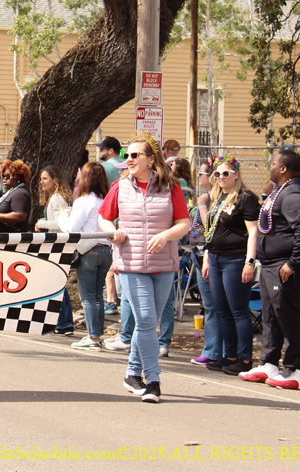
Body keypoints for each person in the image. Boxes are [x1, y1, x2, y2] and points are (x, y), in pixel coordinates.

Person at [98, 132, 190, 403]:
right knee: (147, 320)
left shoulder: (171, 186)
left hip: (164, 264)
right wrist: (112, 232)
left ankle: (131, 373)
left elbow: (184, 223)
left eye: (135, 155)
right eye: (126, 155)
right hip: (131, 264)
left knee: (148, 323)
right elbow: (104, 218)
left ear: (151, 159)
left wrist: (166, 235)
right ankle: (153, 380)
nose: (129, 159)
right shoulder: (119, 187)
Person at [239, 149, 300, 390]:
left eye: (274, 163)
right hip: (272, 263)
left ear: (284, 169)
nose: (270, 167)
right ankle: (269, 363)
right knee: (270, 314)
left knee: (287, 314)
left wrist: (294, 262)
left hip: (287, 264)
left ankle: (295, 370)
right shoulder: (282, 190)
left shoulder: (293, 193)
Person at [198, 155, 259, 375]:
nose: (221, 177)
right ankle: (229, 355)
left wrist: (249, 262)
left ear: (236, 174)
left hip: (235, 259)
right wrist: (207, 256)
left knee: (238, 311)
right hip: (215, 258)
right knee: (222, 310)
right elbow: (211, 231)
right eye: (217, 174)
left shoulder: (245, 197)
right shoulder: (218, 198)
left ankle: (244, 358)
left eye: (226, 173)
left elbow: (253, 231)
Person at [59, 162, 111, 349]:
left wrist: (62, 215)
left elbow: (71, 228)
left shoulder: (83, 201)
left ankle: (93, 337)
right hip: (106, 249)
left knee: (88, 296)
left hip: (89, 250)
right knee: (97, 295)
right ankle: (97, 334)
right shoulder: (105, 199)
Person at [189, 161, 224, 366]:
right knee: (209, 305)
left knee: (215, 305)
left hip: (211, 255)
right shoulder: (204, 197)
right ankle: (212, 349)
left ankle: (216, 350)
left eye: (201, 173)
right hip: (199, 253)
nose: (199, 176)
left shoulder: (218, 200)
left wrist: (202, 206)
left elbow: (211, 228)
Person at [34, 166, 75, 335]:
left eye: (45, 178)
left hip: (57, 245)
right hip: (55, 244)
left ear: (55, 180)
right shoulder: (54, 198)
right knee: (57, 283)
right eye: (41, 179)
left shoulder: (57, 198)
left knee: (57, 284)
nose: (41, 182)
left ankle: (64, 322)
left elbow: (60, 223)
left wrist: (41, 223)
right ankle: (63, 322)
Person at [0, 160, 32, 233]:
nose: (4, 179)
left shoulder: (20, 193)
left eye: (8, 176)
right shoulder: (12, 192)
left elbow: (20, 216)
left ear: (18, 177)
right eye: (3, 176)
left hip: (14, 237)